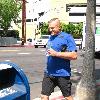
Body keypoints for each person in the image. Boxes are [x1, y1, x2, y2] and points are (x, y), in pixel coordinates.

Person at [41, 18, 77, 100]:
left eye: (52, 28)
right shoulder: (51, 37)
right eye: (49, 28)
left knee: (68, 97)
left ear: (59, 27)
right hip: (49, 73)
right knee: (44, 96)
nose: (50, 30)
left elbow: (74, 55)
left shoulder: (67, 37)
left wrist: (56, 54)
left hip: (62, 74)